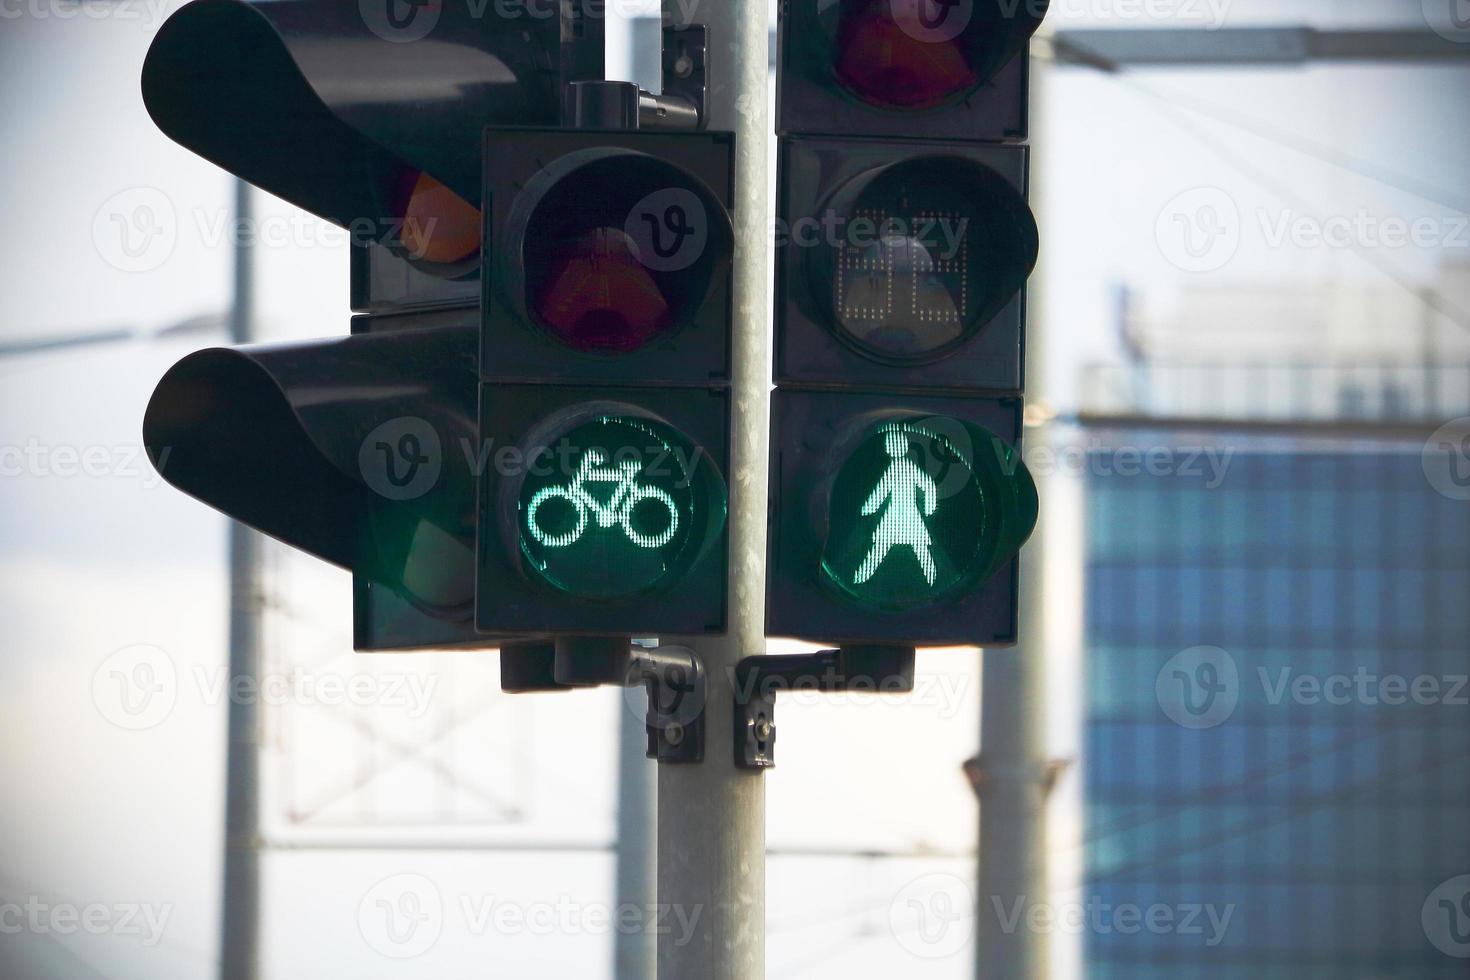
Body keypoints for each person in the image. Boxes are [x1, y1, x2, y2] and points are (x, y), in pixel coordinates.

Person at [854, 430, 939, 587]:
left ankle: (860, 578)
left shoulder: (899, 468)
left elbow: (881, 492)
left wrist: (868, 508)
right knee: (918, 550)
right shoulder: (904, 467)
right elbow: (928, 485)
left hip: (899, 517)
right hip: (904, 516)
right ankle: (933, 579)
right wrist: (929, 507)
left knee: (882, 549)